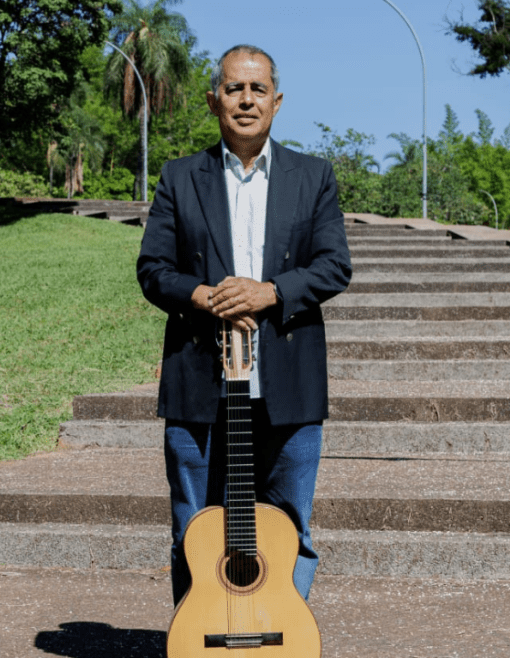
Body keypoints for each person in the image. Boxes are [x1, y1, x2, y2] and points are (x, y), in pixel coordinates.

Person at [136, 44, 352, 606]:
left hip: (289, 383)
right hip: (198, 383)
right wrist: (207, 297)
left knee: (290, 530)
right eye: (234, 88)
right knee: (193, 532)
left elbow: (334, 266)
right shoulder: (180, 178)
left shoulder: (314, 176)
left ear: (277, 102)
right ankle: (198, 637)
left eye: (258, 89)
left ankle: (282, 636)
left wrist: (269, 292)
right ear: (214, 101)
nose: (246, 100)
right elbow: (153, 270)